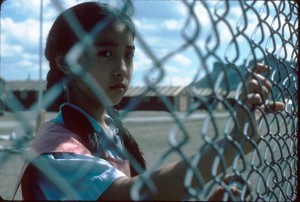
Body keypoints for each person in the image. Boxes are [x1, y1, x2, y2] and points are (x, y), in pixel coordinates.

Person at [15, 2, 284, 201]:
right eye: (105, 52)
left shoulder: (109, 130)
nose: (122, 68)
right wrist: (228, 147)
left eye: (129, 54)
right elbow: (136, 194)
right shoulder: (56, 152)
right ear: (65, 62)